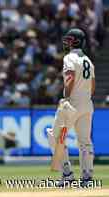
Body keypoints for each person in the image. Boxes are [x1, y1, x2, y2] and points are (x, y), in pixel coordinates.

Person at [47, 28, 95, 187]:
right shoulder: (88, 60)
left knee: (54, 137)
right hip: (87, 103)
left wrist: (66, 97)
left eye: (68, 40)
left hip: (72, 102)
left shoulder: (69, 57)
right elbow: (93, 86)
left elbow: (70, 78)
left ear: (75, 41)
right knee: (85, 141)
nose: (66, 43)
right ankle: (87, 177)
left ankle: (67, 174)